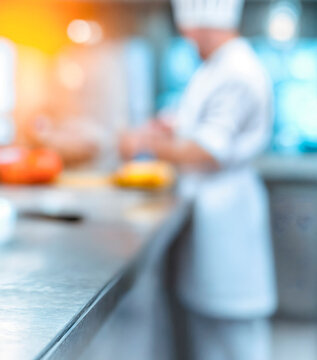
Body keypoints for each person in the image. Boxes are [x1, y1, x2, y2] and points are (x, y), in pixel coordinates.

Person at [120, 0, 275, 359]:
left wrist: (144, 143)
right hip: (213, 214)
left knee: (232, 334)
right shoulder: (217, 66)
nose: (188, 38)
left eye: (190, 31)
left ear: (204, 24)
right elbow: (201, 122)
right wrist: (170, 126)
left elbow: (210, 150)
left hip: (227, 216)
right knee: (210, 333)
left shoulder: (236, 69)